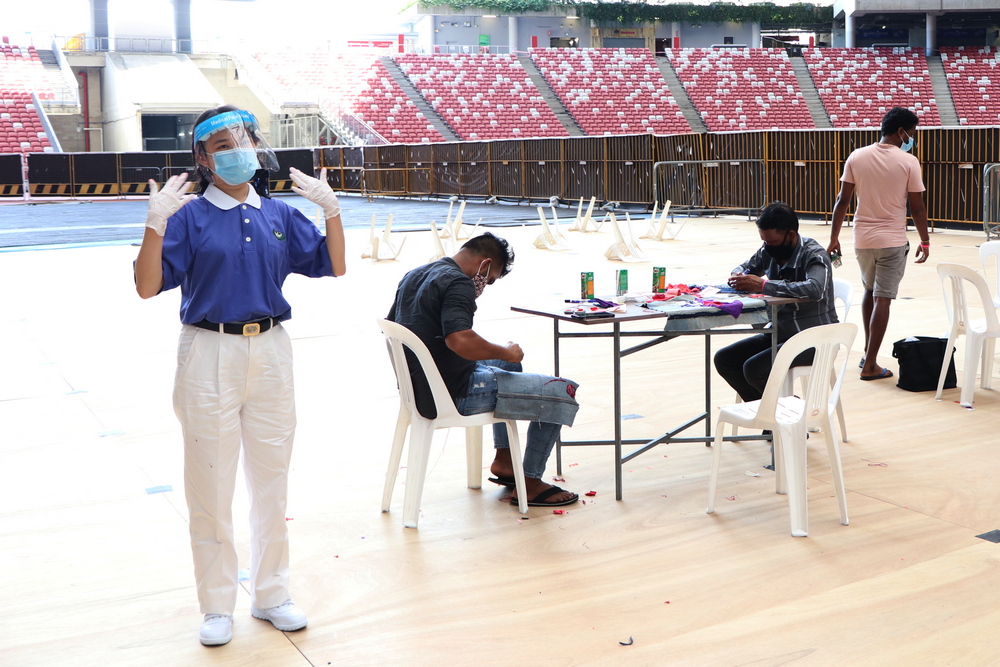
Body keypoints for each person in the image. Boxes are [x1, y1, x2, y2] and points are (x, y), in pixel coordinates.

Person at [133, 105, 346, 646]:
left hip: (271, 351)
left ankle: (273, 594)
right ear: (203, 158)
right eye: (224, 143)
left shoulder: (277, 214)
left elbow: (334, 265)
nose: (239, 149)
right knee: (211, 484)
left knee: (272, 480)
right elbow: (145, 285)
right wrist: (154, 225)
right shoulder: (186, 217)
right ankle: (217, 604)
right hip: (209, 352)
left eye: (246, 138)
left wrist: (334, 213)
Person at [387, 232, 580, 508]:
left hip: (422, 386)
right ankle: (532, 482)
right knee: (562, 391)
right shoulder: (458, 282)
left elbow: (397, 328)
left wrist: (505, 357)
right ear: (485, 264)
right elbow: (459, 340)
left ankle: (504, 460)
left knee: (509, 365)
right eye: (489, 279)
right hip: (454, 392)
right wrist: (505, 350)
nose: (483, 286)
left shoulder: (416, 274)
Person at [829, 106, 930, 381]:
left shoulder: (857, 156)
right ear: (901, 132)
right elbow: (917, 209)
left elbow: (843, 201)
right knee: (883, 298)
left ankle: (866, 352)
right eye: (912, 132)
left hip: (862, 240)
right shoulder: (909, 162)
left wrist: (834, 238)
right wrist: (925, 240)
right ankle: (870, 364)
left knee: (869, 292)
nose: (912, 137)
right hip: (892, 241)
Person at [715, 202, 838, 401]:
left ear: (790, 235)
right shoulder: (769, 249)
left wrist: (764, 286)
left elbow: (815, 289)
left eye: (771, 242)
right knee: (725, 359)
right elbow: (746, 267)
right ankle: (773, 415)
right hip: (779, 332)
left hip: (815, 339)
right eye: (764, 241)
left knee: (753, 369)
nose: (767, 246)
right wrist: (738, 275)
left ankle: (783, 418)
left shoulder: (815, 254)